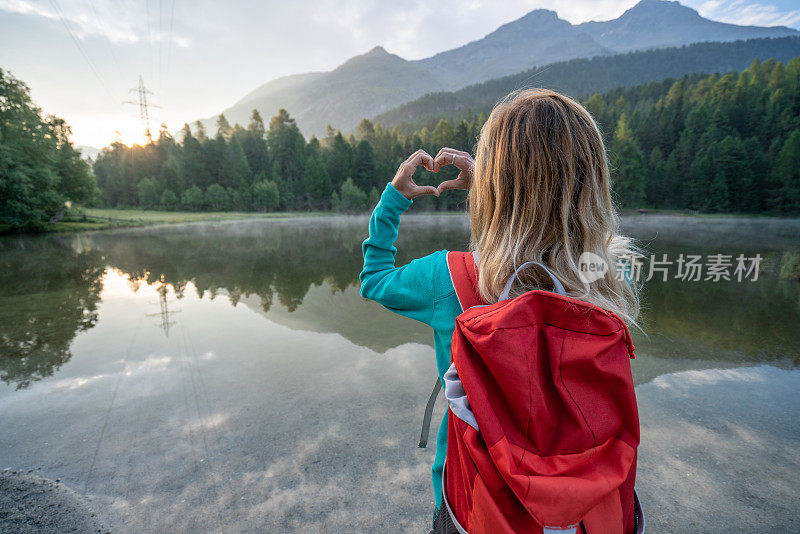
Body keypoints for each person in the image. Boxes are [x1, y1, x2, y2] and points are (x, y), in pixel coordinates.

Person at [359, 88, 641, 531]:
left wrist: (395, 196)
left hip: (473, 510)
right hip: (584, 511)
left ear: (492, 186)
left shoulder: (447, 278)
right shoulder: (610, 276)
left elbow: (373, 279)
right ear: (594, 182)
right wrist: (496, 187)